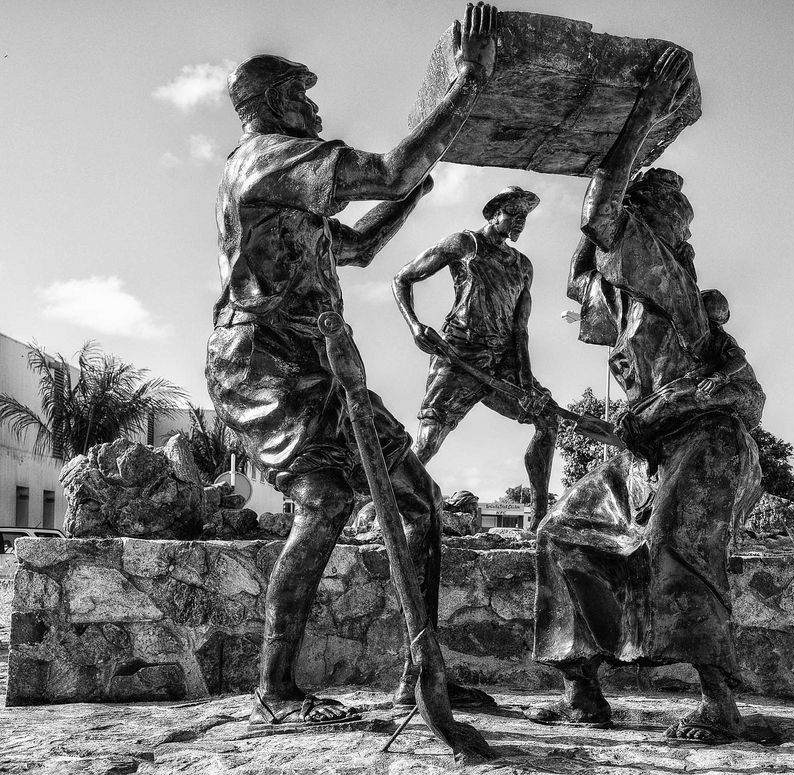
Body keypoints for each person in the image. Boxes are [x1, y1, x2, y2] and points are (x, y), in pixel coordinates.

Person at [205, 3, 500, 728]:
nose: (313, 107)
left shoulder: (282, 184)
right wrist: (465, 88)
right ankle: (275, 688)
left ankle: (420, 669)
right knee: (326, 501)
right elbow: (393, 168)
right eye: (302, 96)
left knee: (421, 503)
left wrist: (412, 196)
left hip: (321, 364)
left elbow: (358, 248)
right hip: (265, 362)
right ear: (271, 104)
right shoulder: (271, 158)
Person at [526, 47, 765, 743]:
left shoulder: (672, 282)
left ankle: (720, 702)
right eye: (673, 217)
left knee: (675, 545)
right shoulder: (629, 295)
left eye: (676, 220)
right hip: (647, 454)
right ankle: (583, 689)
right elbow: (582, 266)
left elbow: (745, 394)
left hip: (704, 447)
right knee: (559, 531)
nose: (681, 230)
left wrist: (639, 117)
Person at [393, 186, 556, 527]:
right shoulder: (464, 244)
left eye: (524, 216)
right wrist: (414, 326)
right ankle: (379, 502)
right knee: (428, 442)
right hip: (459, 353)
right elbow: (402, 278)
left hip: (503, 360)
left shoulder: (522, 265)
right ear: (494, 212)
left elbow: (520, 328)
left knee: (547, 418)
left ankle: (541, 516)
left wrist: (526, 382)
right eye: (513, 213)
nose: (520, 221)